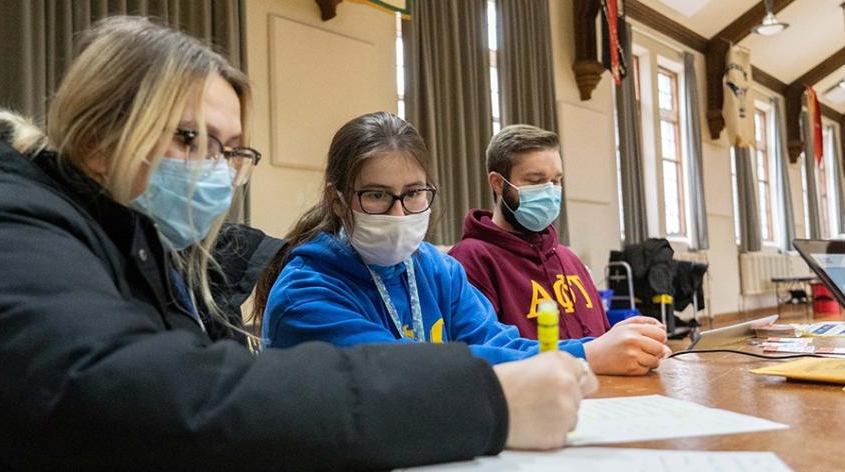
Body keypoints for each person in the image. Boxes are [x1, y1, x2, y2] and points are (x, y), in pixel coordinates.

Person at [0, 17, 596, 471]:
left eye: (229, 151)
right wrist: (477, 399)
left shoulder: (145, 248)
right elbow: (127, 396)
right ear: (97, 135)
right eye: (188, 139)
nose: (212, 171)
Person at [255, 112, 603, 368]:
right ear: (338, 199)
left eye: (413, 193)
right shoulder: (305, 294)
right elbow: (399, 372)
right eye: (376, 195)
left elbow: (498, 344)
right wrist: (586, 355)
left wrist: (597, 351)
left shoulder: (439, 271)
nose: (399, 214)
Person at [448, 125, 671, 376]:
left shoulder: (567, 257)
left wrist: (638, 346)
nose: (550, 191)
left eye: (556, 181)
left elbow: (603, 340)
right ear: (498, 183)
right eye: (536, 181)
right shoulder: (470, 259)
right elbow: (485, 354)